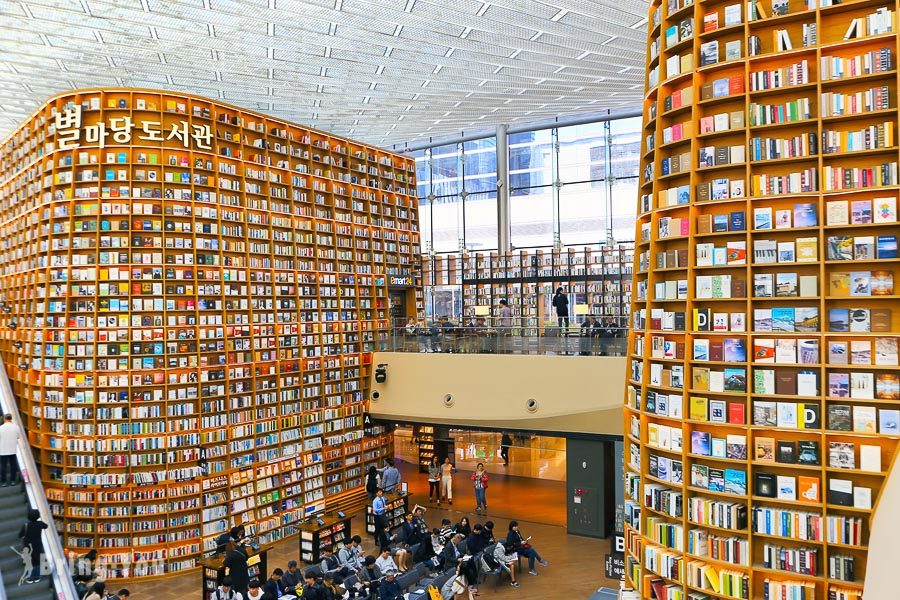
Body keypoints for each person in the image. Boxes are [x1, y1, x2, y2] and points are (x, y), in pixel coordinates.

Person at [20, 508, 47, 584]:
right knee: (38, 562)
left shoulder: (26, 526)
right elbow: (46, 526)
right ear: (38, 516)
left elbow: (20, 535)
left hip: (28, 548)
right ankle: (37, 577)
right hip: (38, 547)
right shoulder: (40, 524)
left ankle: (30, 577)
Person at [0, 413, 18, 486]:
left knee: (3, 466)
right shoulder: (16, 427)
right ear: (11, 419)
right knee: (13, 466)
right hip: (13, 449)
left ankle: (4, 482)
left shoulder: (0, 428)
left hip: (2, 450)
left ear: (4, 419)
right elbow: (18, 437)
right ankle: (13, 481)